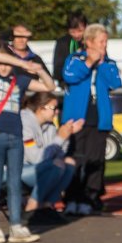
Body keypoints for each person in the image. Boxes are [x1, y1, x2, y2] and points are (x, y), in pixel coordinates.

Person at [0, 46, 55, 243]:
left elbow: (50, 87)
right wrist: (21, 62)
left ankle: (16, 226)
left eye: (8, 63)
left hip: (16, 136)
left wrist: (38, 70)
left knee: (15, 182)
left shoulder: (20, 81)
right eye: (2, 64)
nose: (4, 67)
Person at [61, 24, 122, 215]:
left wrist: (101, 63)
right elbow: (69, 76)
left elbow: (115, 83)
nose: (104, 45)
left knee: (96, 160)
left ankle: (91, 198)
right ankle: (72, 199)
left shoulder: (109, 63)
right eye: (101, 41)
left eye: (106, 41)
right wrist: (89, 62)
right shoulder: (75, 59)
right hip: (77, 118)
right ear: (89, 42)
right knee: (75, 159)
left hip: (99, 118)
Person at [20, 91, 80, 221]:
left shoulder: (50, 126)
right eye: (54, 108)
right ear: (41, 109)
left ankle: (47, 206)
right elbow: (34, 158)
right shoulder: (25, 123)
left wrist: (66, 135)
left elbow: (60, 152)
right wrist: (60, 138)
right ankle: (32, 206)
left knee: (69, 163)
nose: (57, 112)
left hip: (37, 168)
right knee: (56, 165)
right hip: (18, 169)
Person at [52, 12, 86, 79]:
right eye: (72, 32)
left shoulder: (93, 42)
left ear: (86, 26)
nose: (76, 35)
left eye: (80, 31)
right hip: (68, 81)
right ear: (68, 30)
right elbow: (57, 71)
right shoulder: (62, 43)